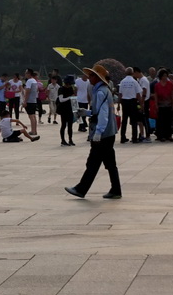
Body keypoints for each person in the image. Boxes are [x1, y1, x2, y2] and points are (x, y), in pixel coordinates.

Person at [65, 63, 122, 200]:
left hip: (103, 134)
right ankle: (116, 189)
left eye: (91, 75)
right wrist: (87, 112)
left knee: (93, 162)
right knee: (109, 164)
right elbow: (99, 111)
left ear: (97, 77)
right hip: (109, 133)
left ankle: (81, 189)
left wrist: (98, 132)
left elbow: (103, 114)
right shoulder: (104, 90)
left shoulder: (101, 92)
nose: (89, 77)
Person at [118, 67, 143, 143]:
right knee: (134, 120)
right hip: (132, 102)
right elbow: (138, 94)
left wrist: (119, 104)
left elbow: (120, 94)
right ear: (132, 73)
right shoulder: (134, 82)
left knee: (124, 120)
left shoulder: (122, 82)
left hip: (124, 102)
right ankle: (134, 138)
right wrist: (141, 104)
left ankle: (122, 137)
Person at [56, 75, 77, 146]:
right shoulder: (61, 89)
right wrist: (70, 97)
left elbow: (73, 98)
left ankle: (70, 139)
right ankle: (63, 140)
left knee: (70, 125)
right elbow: (61, 100)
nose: (70, 85)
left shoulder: (71, 88)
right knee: (63, 125)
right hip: (63, 109)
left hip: (70, 109)